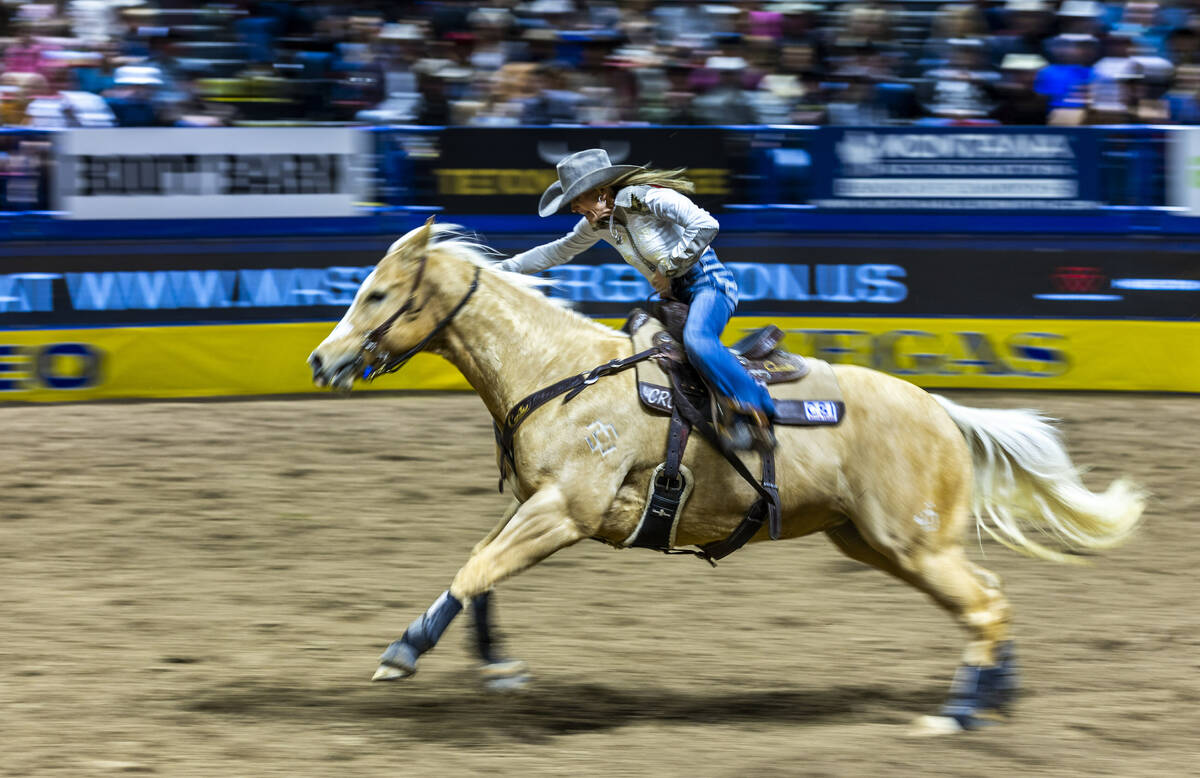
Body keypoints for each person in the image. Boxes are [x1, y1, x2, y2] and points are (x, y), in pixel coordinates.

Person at [496, 148, 776, 451]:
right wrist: (496, 270)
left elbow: (706, 224)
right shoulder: (599, 225)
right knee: (633, 354)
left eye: (577, 198)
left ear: (601, 191)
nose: (574, 207)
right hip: (674, 299)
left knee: (697, 340)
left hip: (709, 283)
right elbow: (556, 251)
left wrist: (668, 269)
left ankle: (755, 407)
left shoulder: (646, 198)